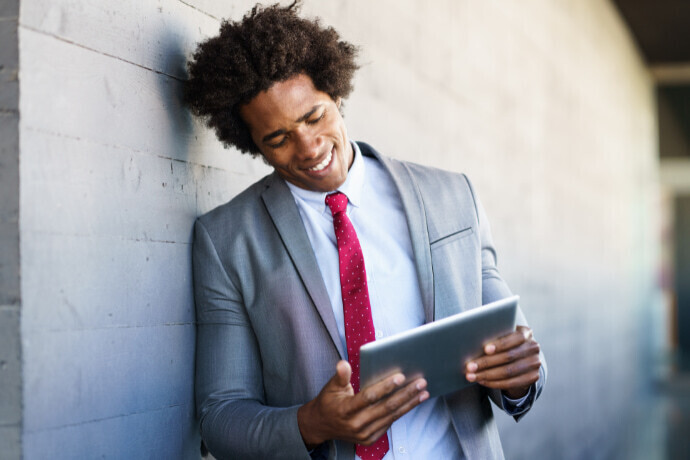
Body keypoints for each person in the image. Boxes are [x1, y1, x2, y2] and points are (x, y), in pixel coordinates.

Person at [185, 2, 546, 459]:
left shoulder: (452, 198)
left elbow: (513, 339)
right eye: (277, 139)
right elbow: (220, 418)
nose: (309, 147)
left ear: (336, 94)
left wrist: (519, 376)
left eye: (314, 117)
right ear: (253, 145)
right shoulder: (226, 241)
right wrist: (311, 424)